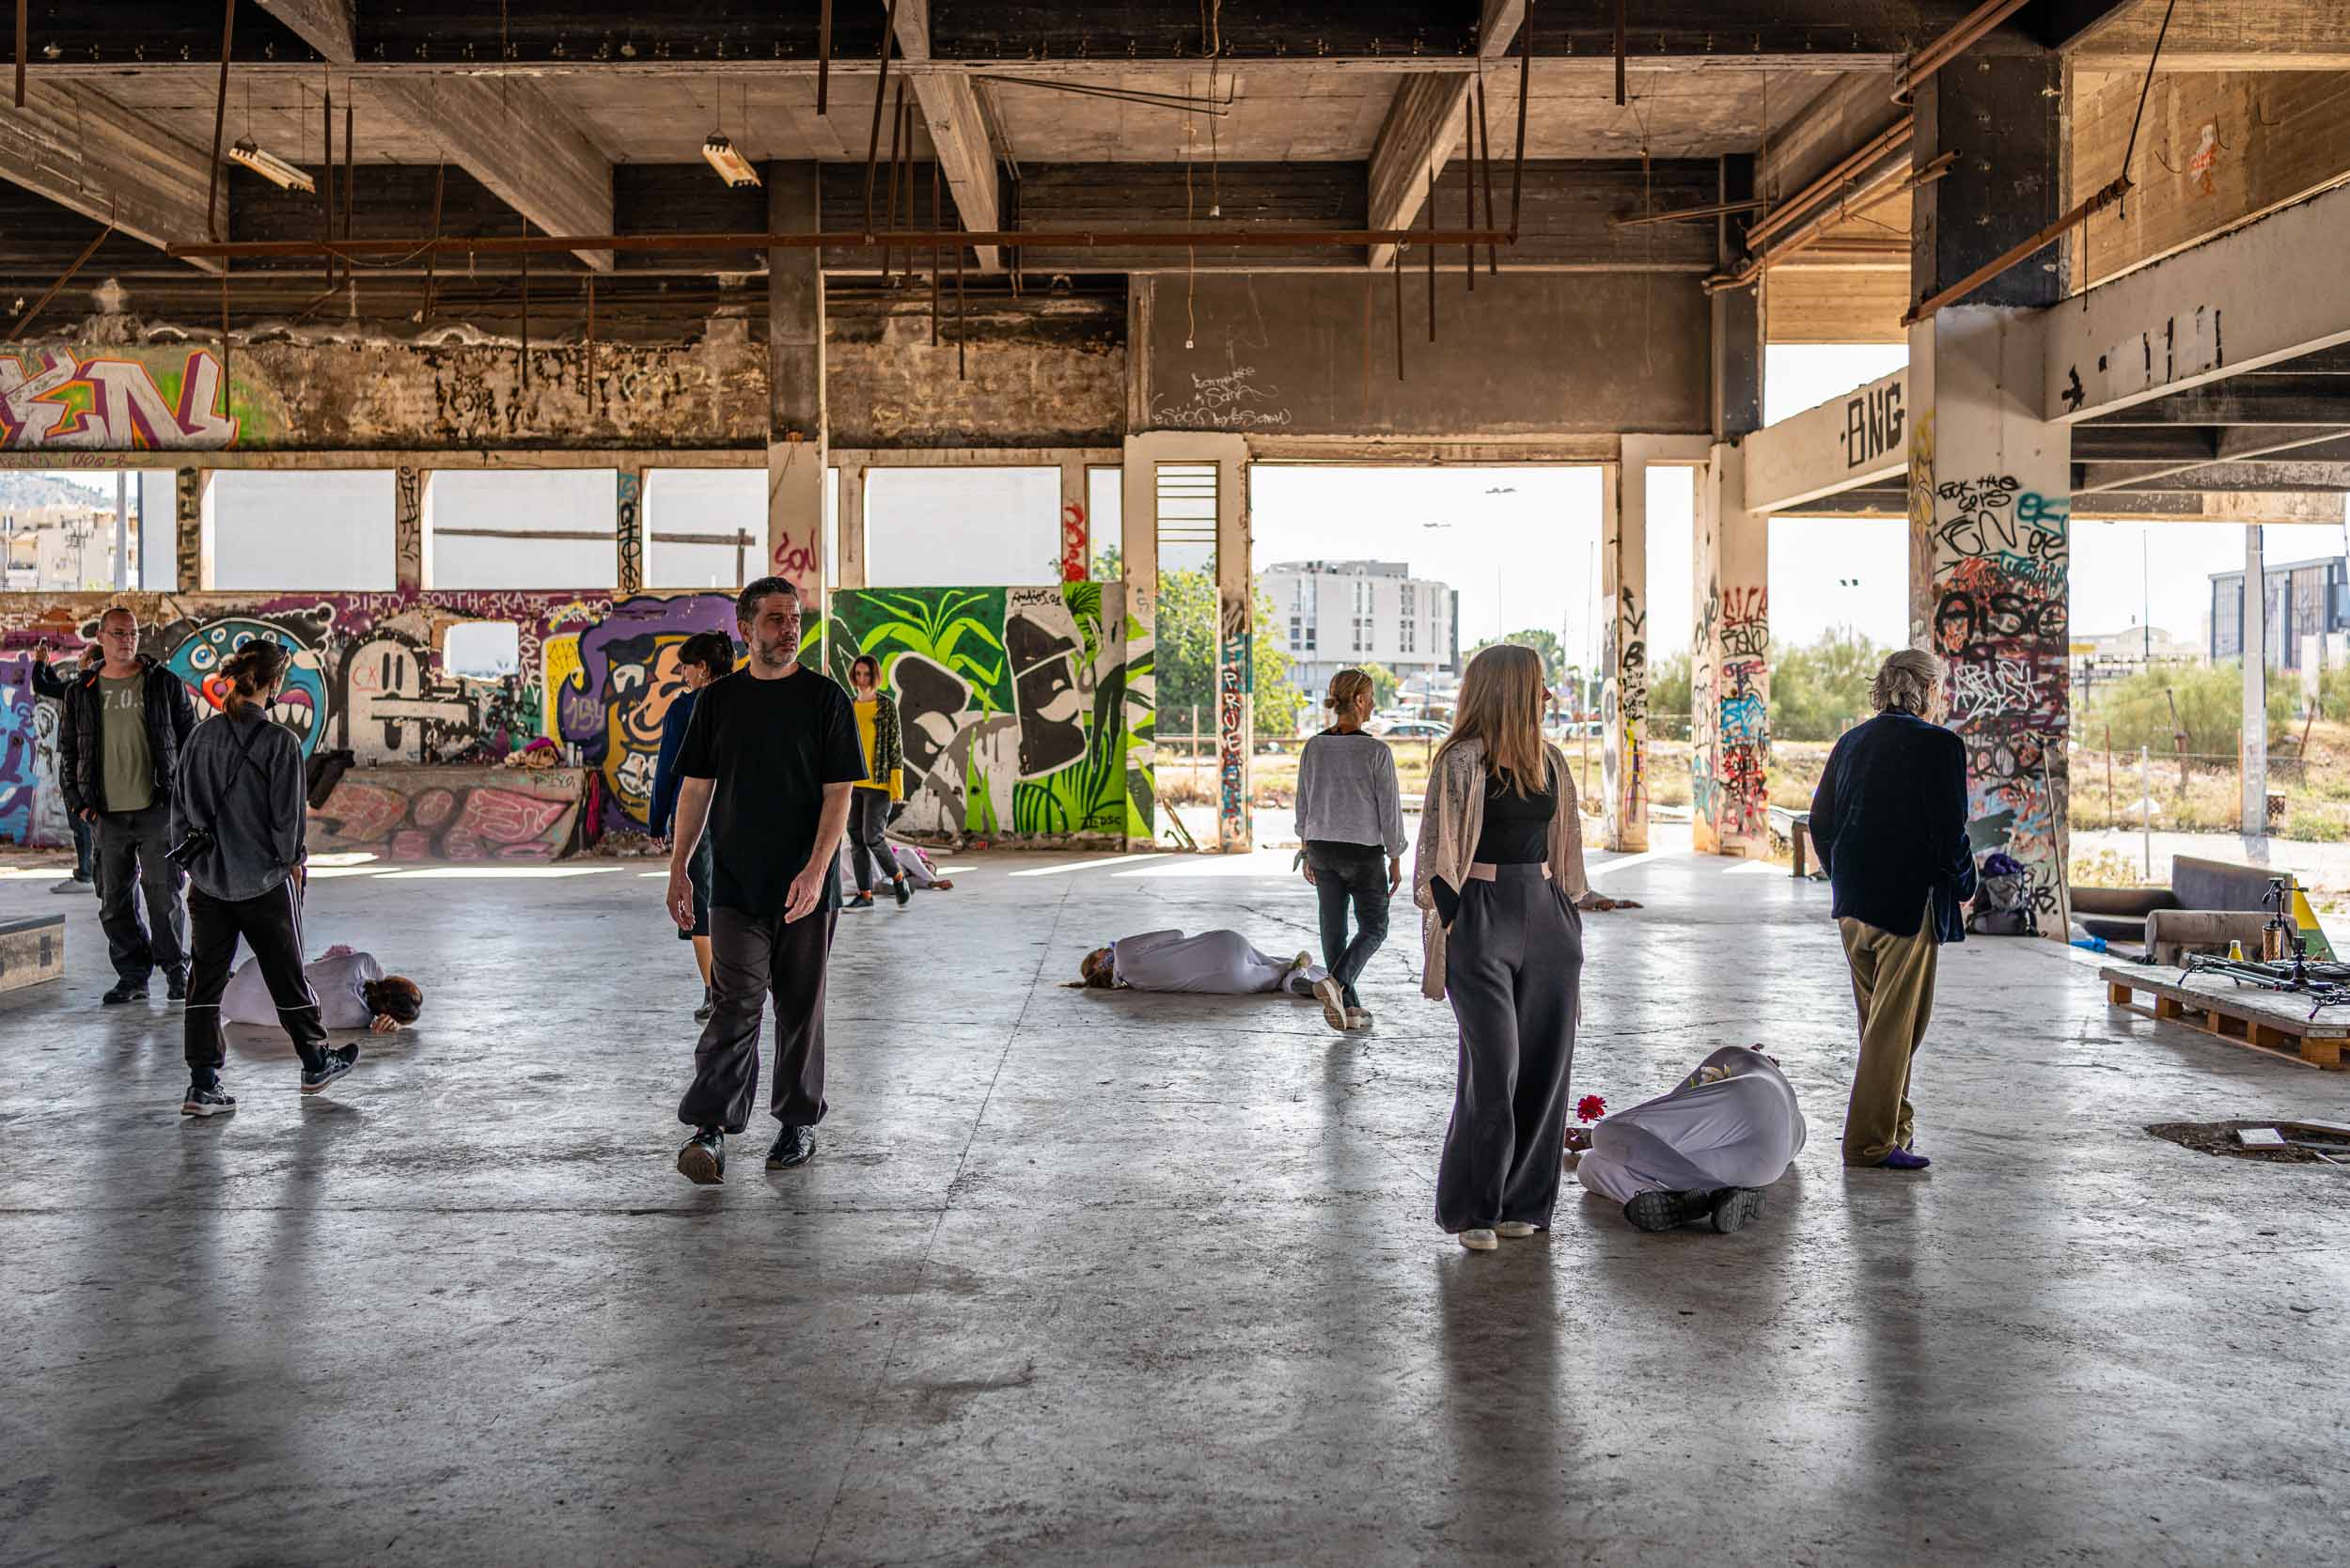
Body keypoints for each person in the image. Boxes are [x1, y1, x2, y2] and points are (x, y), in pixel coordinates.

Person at [665, 576, 865, 1184]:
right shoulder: (718, 702)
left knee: (801, 1008)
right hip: (735, 884)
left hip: (807, 889)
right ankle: (710, 1129)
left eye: (795, 618)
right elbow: (696, 787)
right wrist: (679, 866)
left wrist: (817, 869)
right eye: (776, 619)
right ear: (746, 628)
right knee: (735, 1004)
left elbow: (839, 793)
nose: (789, 629)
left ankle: (798, 1122)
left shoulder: (825, 699)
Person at [1413, 643, 1589, 1253]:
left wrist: (1568, 914)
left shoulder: (1550, 761)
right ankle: (1475, 1209)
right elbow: (1437, 856)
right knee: (1494, 1069)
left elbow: (1566, 849)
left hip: (1547, 916)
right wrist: (1457, 925)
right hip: (1481, 916)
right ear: (1510, 690)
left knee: (1545, 1067)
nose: (1547, 695)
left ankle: (1525, 1203)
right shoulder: (1461, 760)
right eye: (1538, 685)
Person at [1807, 647, 1978, 1172]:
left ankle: (1894, 1128)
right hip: (1906, 907)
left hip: (1853, 907)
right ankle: (1868, 1144)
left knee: (1880, 1027)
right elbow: (1950, 833)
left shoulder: (1851, 742)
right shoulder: (1941, 746)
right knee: (1897, 1028)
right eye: (1939, 688)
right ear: (1926, 690)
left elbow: (1820, 822)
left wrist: (1844, 873)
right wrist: (1966, 883)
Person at [174, 639, 359, 1116]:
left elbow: (180, 812)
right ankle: (315, 1062)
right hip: (264, 883)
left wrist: (199, 868)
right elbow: (288, 825)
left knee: (205, 982)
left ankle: (202, 1085)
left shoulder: (199, 738)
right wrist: (293, 864)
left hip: (208, 884)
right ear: (274, 683)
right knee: (287, 975)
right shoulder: (282, 743)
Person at [57, 605, 197, 1005]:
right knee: (113, 901)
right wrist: (78, 803)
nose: (127, 640)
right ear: (100, 637)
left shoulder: (163, 684)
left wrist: (184, 800)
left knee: (163, 895)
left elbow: (191, 741)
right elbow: (68, 752)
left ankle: (176, 970)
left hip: (158, 810)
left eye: (133, 632)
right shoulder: (81, 692)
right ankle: (133, 975)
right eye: (118, 633)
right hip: (106, 814)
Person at [1574, 1045, 1806, 1234]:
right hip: (1768, 1164)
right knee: (1591, 1165)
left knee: (1605, 1131)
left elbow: (1663, 1110)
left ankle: (1716, 1192)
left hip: (1752, 1098)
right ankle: (1686, 1203)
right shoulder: (1795, 1120)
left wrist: (1590, 1136)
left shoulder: (1734, 1057)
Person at [1294, 668, 1406, 1035]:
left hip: (1321, 849)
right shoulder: (1376, 751)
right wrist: (1396, 856)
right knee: (1375, 926)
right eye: (1371, 698)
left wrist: (1305, 848)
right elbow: (1389, 810)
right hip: (1363, 854)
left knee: (1333, 929)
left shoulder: (1314, 746)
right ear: (1359, 700)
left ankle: (1350, 1008)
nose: (1373, 705)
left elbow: (1303, 801)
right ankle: (1338, 982)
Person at [649, 630, 738, 1024]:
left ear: (702, 668)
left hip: (696, 817)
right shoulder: (747, 701)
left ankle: (714, 992)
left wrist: (658, 820)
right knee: (735, 900)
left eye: (685, 667)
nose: (682, 674)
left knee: (700, 903)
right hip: (740, 814)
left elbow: (669, 770)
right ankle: (740, 987)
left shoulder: (684, 708)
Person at [220, 944, 423, 1034]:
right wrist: (394, 1023)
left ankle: (224, 979)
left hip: (255, 969)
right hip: (236, 1009)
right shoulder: (358, 1020)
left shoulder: (364, 961)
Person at [30, 641, 101, 895]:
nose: (79, 656)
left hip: (78, 761)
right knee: (87, 819)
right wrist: (47, 665)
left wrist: (40, 662)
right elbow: (57, 687)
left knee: (79, 818)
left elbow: (42, 686)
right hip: (89, 760)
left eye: (83, 654)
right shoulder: (94, 685)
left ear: (90, 662)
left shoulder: (83, 686)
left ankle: (85, 875)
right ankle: (91, 872)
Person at [842, 652, 910, 910]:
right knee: (856, 838)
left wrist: (897, 785)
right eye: (858, 674)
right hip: (853, 783)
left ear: (875, 676)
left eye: (867, 674)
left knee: (873, 837)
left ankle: (898, 878)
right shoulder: (849, 705)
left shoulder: (886, 706)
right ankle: (865, 894)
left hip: (879, 784)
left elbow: (895, 746)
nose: (862, 679)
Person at [1078, 931, 1327, 997]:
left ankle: (1299, 981)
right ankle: (1321, 978)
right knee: (1283, 963)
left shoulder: (1135, 984)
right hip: (1225, 945)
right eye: (1099, 951)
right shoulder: (1122, 948)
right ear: (1099, 963)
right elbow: (1176, 933)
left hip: (1233, 984)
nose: (1104, 948)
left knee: (1279, 976)